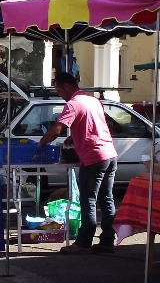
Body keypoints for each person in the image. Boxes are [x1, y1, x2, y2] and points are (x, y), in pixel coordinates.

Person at [38, 72, 118, 255]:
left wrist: (42, 143)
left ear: (66, 86)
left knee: (88, 200)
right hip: (110, 154)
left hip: (94, 158)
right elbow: (93, 124)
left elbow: (57, 130)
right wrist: (73, 137)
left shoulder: (73, 104)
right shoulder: (92, 99)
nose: (59, 94)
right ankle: (107, 241)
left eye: (59, 90)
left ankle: (83, 243)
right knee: (106, 200)